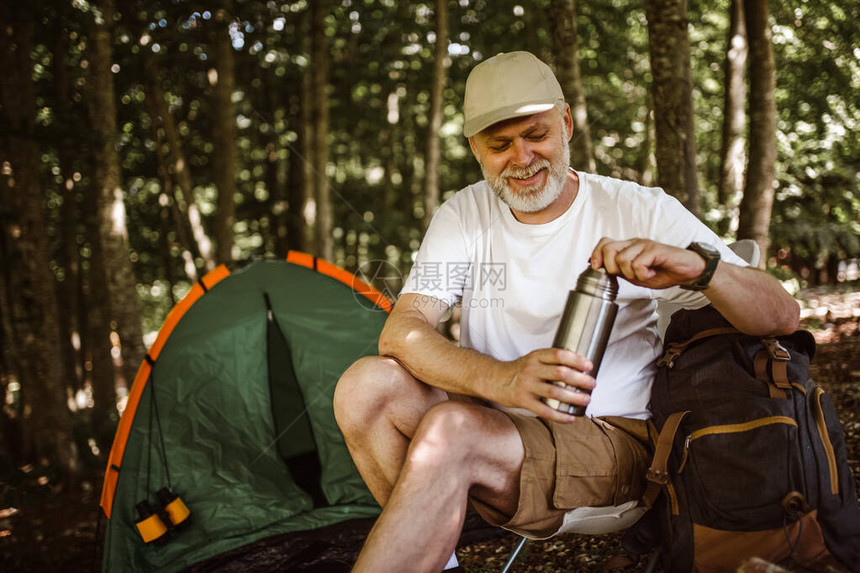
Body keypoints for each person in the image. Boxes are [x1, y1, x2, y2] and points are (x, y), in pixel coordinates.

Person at [333, 51, 799, 573]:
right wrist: (503, 380)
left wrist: (699, 268)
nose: (523, 156)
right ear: (475, 150)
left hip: (611, 440)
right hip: (491, 424)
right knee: (365, 387)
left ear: (567, 123)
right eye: (500, 144)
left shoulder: (636, 207)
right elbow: (403, 332)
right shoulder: (464, 214)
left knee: (453, 430)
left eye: (536, 134)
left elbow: (782, 316)